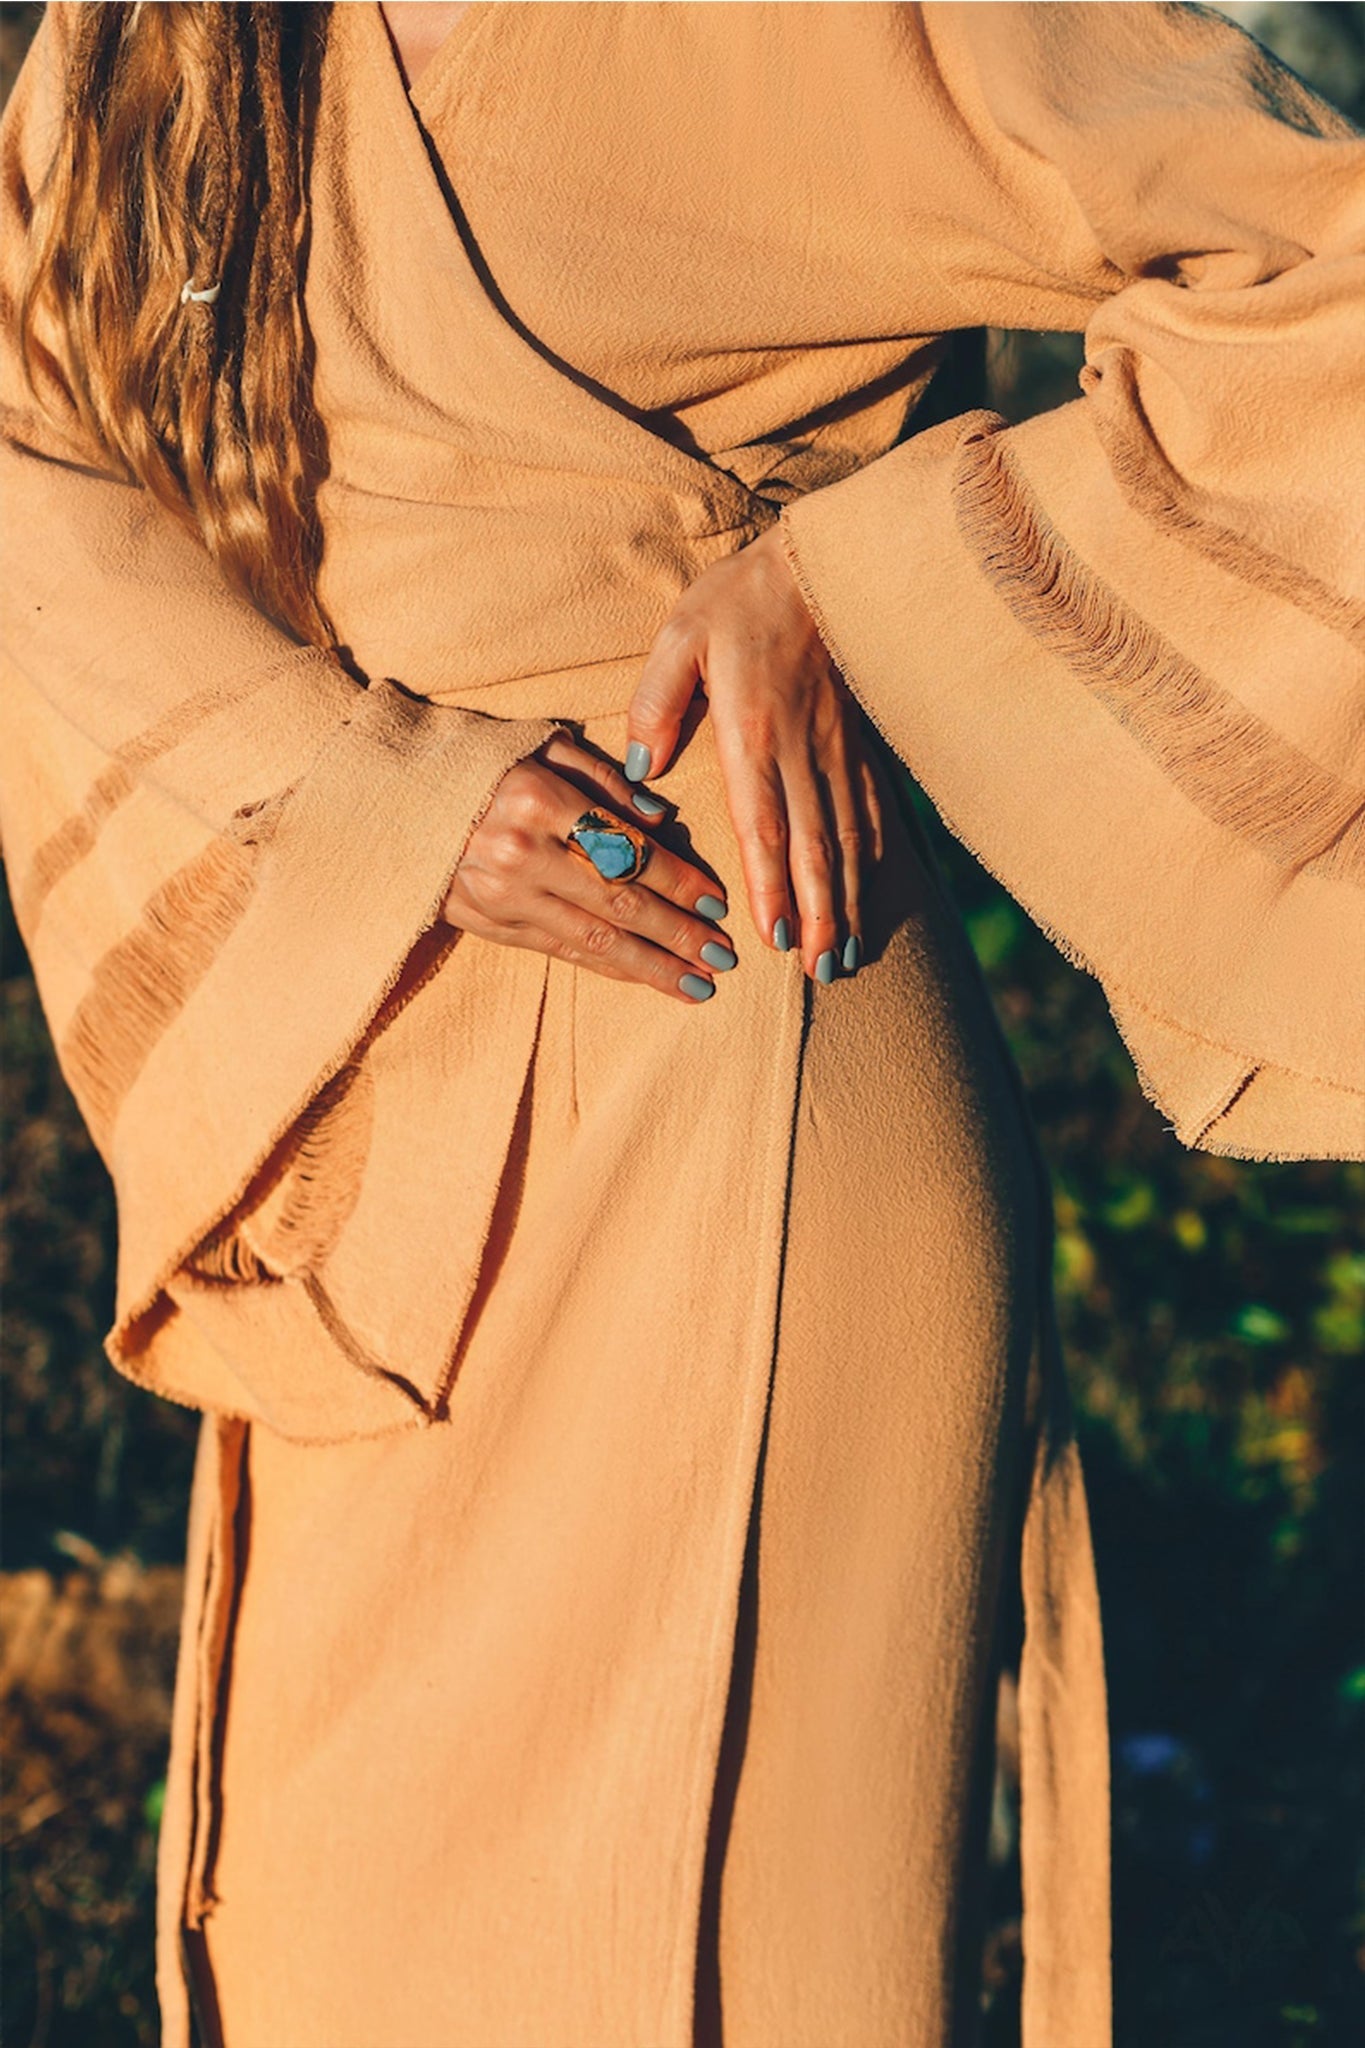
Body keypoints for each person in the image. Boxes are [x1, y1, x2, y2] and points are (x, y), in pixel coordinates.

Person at [1, 4, 1360, 2044]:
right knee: (316, 1959)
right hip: (363, 1099)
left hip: (741, 1048)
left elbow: (1319, 272)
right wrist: (345, 783)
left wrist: (866, 572)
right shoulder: (164, 37)